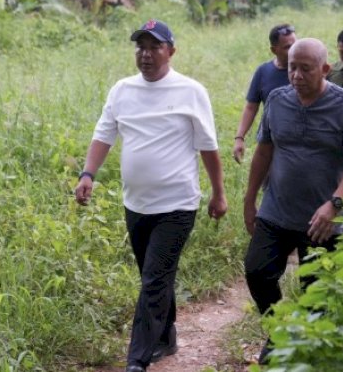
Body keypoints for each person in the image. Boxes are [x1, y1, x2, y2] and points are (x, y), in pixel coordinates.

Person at [74, 19, 228, 372]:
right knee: (154, 273)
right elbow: (104, 134)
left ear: (171, 51)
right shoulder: (122, 90)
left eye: (154, 46)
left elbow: (208, 147)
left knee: (154, 278)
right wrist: (87, 174)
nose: (145, 54)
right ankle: (166, 336)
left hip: (177, 204)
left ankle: (137, 359)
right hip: (136, 203)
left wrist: (218, 194)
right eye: (140, 47)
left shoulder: (191, 91)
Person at [243, 38, 343, 364]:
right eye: (291, 68)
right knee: (257, 272)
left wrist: (336, 204)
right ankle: (280, 331)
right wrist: (249, 198)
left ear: (325, 69)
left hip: (323, 220)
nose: (296, 75)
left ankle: (307, 352)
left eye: (305, 68)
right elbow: (264, 151)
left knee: (316, 293)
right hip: (277, 208)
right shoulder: (277, 99)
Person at [233, 24, 297, 163]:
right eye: (287, 47)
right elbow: (251, 107)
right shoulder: (263, 72)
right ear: (274, 50)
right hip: (270, 143)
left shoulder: (308, 72)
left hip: (301, 143)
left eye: (295, 44)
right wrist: (239, 138)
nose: (293, 50)